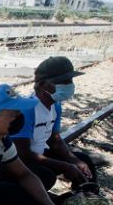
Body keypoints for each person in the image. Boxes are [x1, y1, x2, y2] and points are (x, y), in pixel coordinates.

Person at [8, 56, 97, 191]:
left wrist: (72, 160)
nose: (70, 85)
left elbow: (54, 140)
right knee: (46, 176)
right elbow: (23, 153)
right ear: (44, 85)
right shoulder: (27, 110)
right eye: (64, 81)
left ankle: (87, 198)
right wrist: (64, 166)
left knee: (83, 161)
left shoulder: (55, 106)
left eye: (70, 80)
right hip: (20, 162)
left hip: (38, 155)